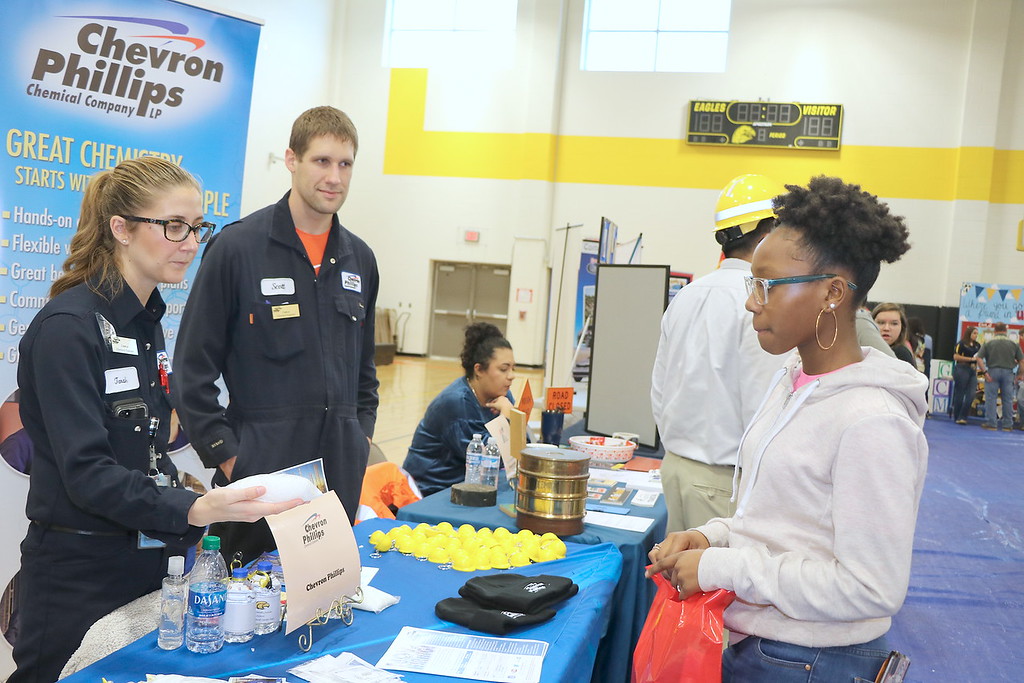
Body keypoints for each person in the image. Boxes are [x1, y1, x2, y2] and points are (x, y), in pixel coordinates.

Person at [9, 157, 304, 683]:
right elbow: (88, 474)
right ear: (120, 229)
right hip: (78, 575)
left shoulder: (150, 326)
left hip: (146, 563)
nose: (190, 242)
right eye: (173, 227)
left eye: (197, 227)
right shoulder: (67, 330)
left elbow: (144, 451)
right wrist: (197, 506)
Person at [647, 176, 928, 681]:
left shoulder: (872, 421)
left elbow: (871, 587)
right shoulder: (793, 383)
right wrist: (713, 537)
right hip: (766, 645)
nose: (752, 302)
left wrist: (723, 568)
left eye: (766, 285)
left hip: (815, 661)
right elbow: (784, 522)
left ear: (832, 293)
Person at [176, 106, 379, 563]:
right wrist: (231, 459)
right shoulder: (237, 249)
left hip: (337, 485)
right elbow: (191, 372)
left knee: (324, 609)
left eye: (345, 164)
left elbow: (365, 374)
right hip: (260, 482)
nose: (335, 177)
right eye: (322, 161)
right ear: (292, 160)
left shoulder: (360, 261)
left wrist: (359, 438)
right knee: (248, 610)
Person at [651, 174, 785, 533]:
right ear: (770, 232)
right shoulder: (758, 301)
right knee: (712, 588)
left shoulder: (688, 295)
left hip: (674, 469)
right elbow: (762, 408)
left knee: (675, 586)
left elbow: (659, 390)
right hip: (720, 482)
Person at [403, 323, 516, 496]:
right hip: (428, 493)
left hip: (471, 487)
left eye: (513, 368)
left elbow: (517, 451)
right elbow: (487, 459)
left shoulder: (504, 398)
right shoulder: (456, 403)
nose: (511, 375)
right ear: (478, 370)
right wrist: (507, 417)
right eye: (503, 369)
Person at [975, 322, 1023, 431]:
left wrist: (985, 372)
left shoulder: (988, 342)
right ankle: (1007, 425)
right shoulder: (1014, 343)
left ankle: (991, 423)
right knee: (1008, 399)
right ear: (1006, 331)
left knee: (991, 398)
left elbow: (979, 358)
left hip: (992, 372)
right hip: (1008, 373)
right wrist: (1020, 375)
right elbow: (1021, 361)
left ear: (994, 330)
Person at [951, 326, 980, 424]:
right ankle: (957, 416)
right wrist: (970, 359)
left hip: (972, 370)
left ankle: (963, 415)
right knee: (960, 393)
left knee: (971, 394)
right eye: (974, 333)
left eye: (977, 333)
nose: (976, 335)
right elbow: (956, 356)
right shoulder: (961, 344)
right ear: (969, 333)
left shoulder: (977, 345)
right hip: (962, 368)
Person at [872, 302, 917, 367]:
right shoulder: (862, 351)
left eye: (894, 324)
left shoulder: (901, 354)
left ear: (902, 327)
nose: (886, 328)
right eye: (881, 323)